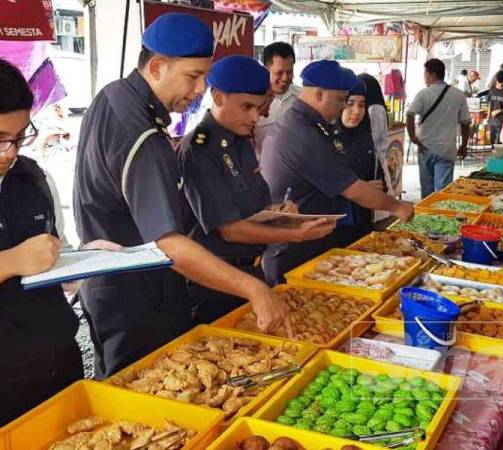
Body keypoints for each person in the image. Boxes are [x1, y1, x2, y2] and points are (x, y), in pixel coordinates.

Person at [73, 13, 287, 379]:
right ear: (157, 67)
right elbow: (168, 245)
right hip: (137, 297)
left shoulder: (113, 95)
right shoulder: (141, 136)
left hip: (115, 289)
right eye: (192, 76)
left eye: (204, 75)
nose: (201, 88)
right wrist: (254, 288)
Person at [178, 55, 335, 323]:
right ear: (217, 97)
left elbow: (249, 207)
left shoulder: (239, 140)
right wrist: (294, 234)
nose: (255, 117)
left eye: (259, 107)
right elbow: (230, 229)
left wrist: (279, 213)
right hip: (217, 282)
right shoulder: (200, 150)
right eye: (247, 107)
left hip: (252, 269)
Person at [260, 60, 414, 285]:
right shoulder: (303, 134)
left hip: (307, 240)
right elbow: (354, 190)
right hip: (294, 250)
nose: (344, 107)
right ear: (320, 94)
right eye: (341, 100)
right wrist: (397, 206)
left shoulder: (305, 123)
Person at [0, 59, 83, 425]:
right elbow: (22, 260)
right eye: (0, 139)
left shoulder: (35, 179)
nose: (11, 152)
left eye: (19, 137)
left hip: (56, 364)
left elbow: (56, 253)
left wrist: (91, 259)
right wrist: (11, 262)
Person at [406, 59, 471, 199]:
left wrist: (413, 138)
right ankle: (441, 214)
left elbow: (409, 114)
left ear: (433, 75)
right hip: (447, 149)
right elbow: (466, 123)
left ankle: (426, 217)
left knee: (427, 190)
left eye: (426, 73)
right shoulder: (458, 95)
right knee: (442, 192)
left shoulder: (424, 94)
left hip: (425, 147)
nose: (424, 77)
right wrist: (464, 145)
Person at [334, 77, 379, 246]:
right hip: (335, 224)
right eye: (350, 103)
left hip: (363, 220)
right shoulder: (326, 137)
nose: (356, 111)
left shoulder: (365, 136)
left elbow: (374, 173)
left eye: (362, 105)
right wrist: (361, 187)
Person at [253, 42, 300, 158]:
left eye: (289, 72)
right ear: (266, 69)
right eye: (279, 73)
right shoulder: (253, 101)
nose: (285, 78)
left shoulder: (303, 98)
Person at [487, 71, 503, 144]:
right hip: (492, 121)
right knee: (492, 141)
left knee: (499, 142)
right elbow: (490, 103)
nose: (501, 84)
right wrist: (488, 115)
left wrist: (499, 110)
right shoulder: (492, 90)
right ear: (496, 81)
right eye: (500, 82)